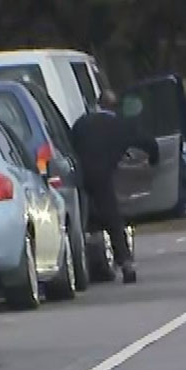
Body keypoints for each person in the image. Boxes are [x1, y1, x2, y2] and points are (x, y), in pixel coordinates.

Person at [70, 90, 159, 284]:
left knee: (77, 222)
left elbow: (70, 145)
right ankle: (126, 264)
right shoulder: (121, 126)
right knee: (113, 221)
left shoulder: (81, 123)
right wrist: (154, 160)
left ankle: (79, 263)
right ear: (115, 108)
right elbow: (148, 143)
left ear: (97, 105)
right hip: (103, 177)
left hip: (78, 177)